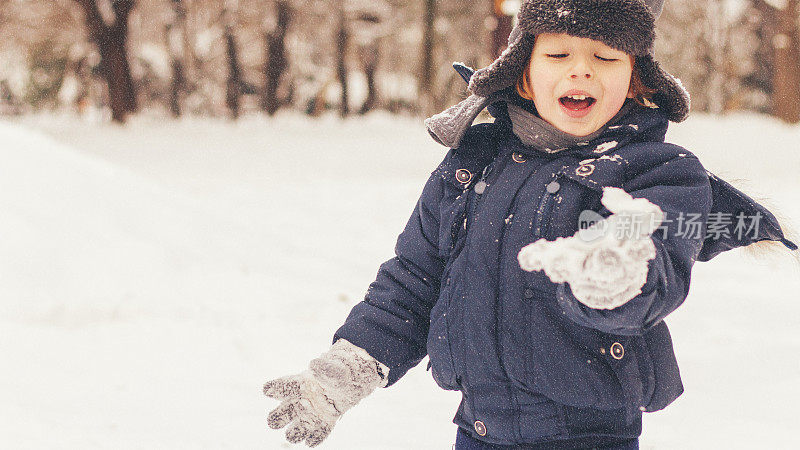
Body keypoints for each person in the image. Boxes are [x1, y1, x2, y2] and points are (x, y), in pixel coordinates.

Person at [263, 0, 797, 448]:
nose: (580, 69)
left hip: (591, 436)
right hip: (478, 429)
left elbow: (654, 254)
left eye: (606, 56)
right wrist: (347, 368)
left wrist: (614, 270)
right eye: (558, 53)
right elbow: (413, 281)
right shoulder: (474, 163)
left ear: (635, 81)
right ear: (524, 70)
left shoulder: (656, 174)